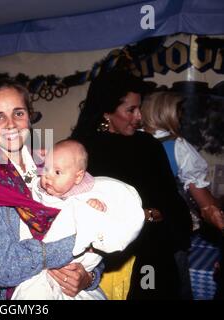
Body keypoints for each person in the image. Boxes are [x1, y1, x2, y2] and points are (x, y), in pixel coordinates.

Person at [0, 79, 103, 300]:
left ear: (29, 117)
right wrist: (76, 245)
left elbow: (97, 224)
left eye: (18, 113)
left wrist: (89, 276)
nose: (11, 124)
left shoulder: (50, 162)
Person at [70, 69, 192, 300]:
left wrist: (158, 215)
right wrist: (141, 215)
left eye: (140, 108)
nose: (139, 117)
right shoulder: (81, 150)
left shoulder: (148, 144)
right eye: (130, 110)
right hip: (105, 261)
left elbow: (169, 199)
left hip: (153, 253)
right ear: (107, 112)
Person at [12, 140, 145, 300]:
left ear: (78, 177)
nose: (47, 176)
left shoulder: (90, 194)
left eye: (57, 172)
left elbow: (107, 220)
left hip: (78, 264)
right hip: (41, 262)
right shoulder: (40, 190)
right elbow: (27, 178)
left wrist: (97, 208)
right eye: (46, 169)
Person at [142, 91, 224, 231]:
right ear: (169, 113)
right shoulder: (178, 146)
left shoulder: (126, 139)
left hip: (132, 224)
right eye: (180, 111)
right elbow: (206, 204)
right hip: (168, 226)